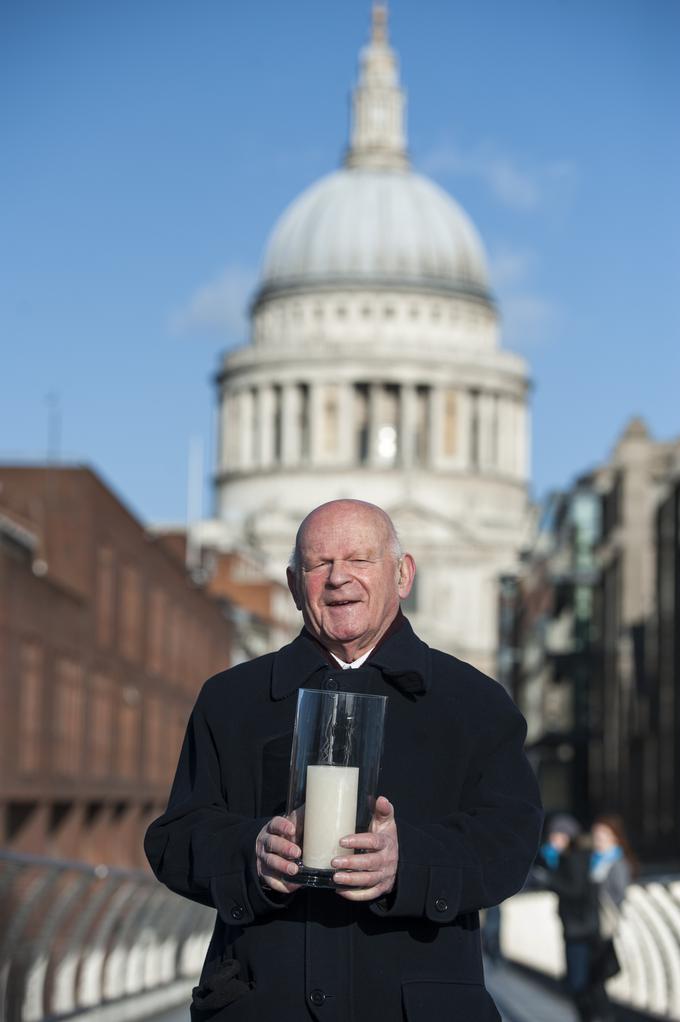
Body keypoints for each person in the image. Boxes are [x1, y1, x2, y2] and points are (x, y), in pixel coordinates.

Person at [145, 499, 543, 1021]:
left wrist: (407, 861)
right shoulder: (230, 700)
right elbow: (174, 839)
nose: (338, 579)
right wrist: (253, 852)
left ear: (402, 574)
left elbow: (510, 842)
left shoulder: (475, 703)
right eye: (318, 565)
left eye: (359, 560)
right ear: (293, 584)